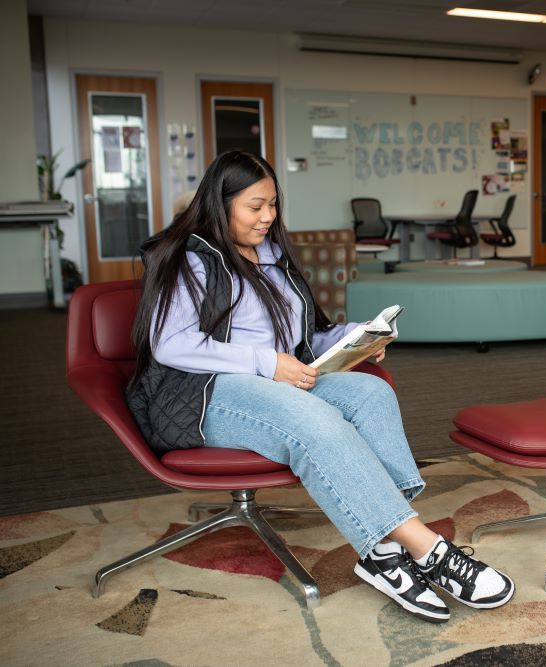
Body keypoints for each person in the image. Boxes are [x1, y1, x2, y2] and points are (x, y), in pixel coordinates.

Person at [127, 150, 514, 623]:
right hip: (202, 393)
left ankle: (384, 553)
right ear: (219, 203)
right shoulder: (191, 257)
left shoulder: (273, 258)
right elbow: (170, 344)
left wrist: (356, 339)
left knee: (371, 394)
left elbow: (302, 339)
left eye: (273, 204)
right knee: (316, 419)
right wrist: (266, 363)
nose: (268, 216)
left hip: (277, 379)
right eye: (255, 206)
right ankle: (428, 549)